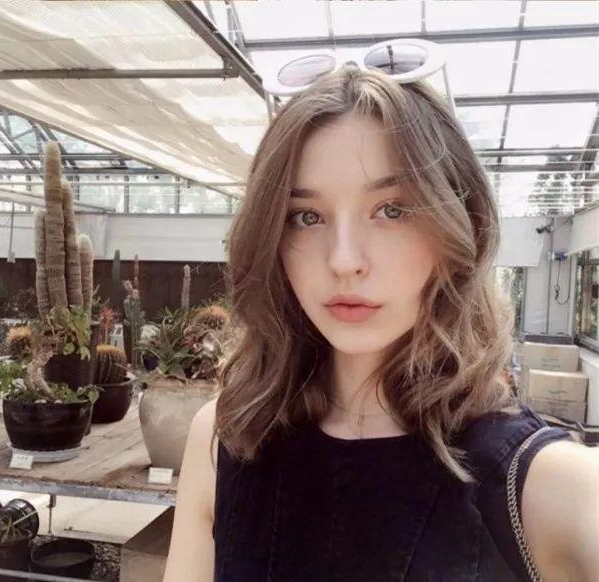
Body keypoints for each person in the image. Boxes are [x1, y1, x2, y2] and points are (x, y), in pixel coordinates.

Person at [163, 64, 598, 581]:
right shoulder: (224, 439)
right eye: (306, 216)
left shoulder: (547, 484)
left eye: (392, 210)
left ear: (460, 225)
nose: (344, 260)